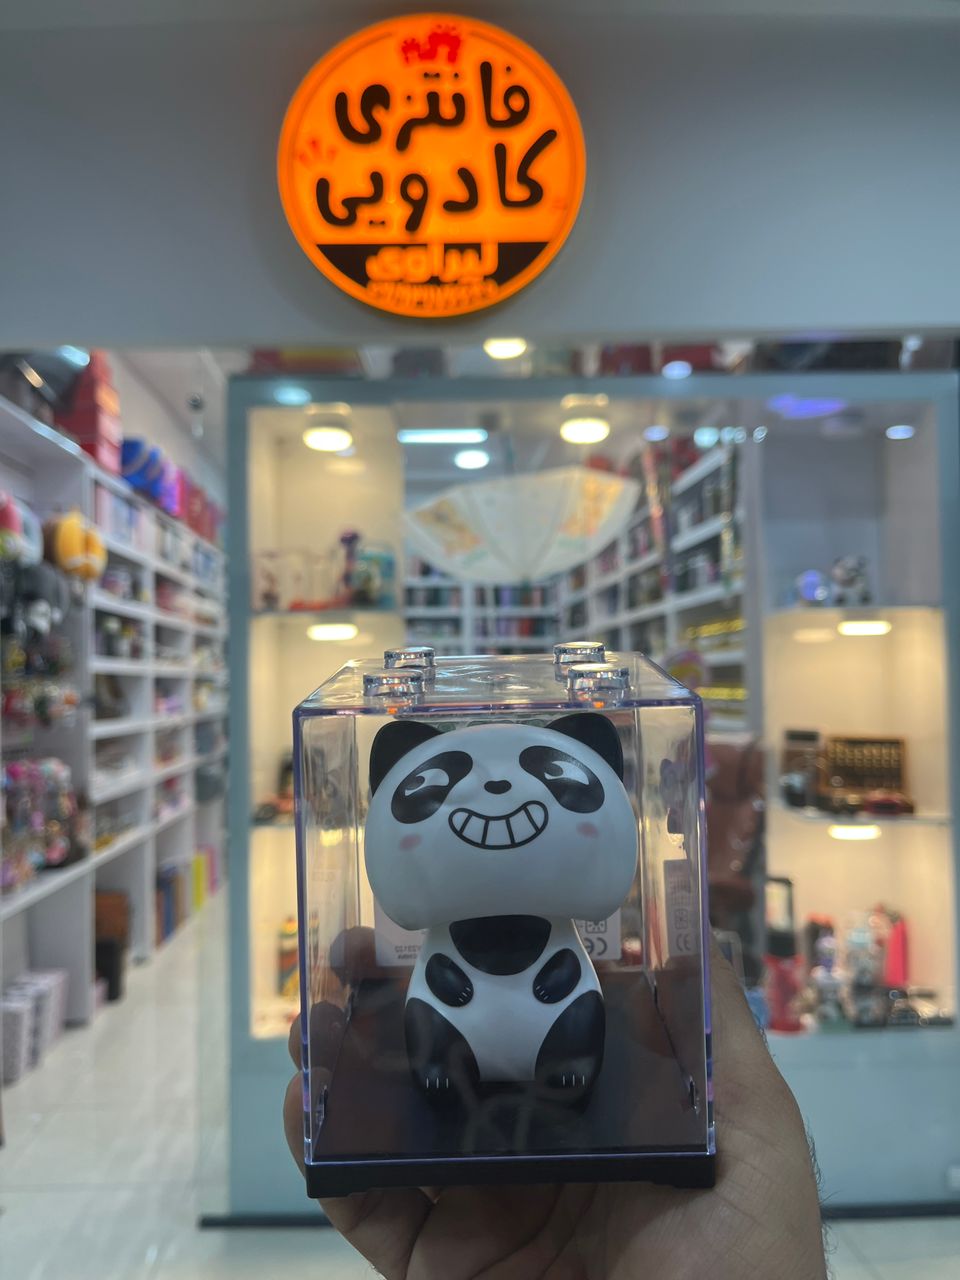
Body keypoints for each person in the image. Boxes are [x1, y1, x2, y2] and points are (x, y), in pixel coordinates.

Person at [284, 938, 827, 1279]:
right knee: (439, 1011)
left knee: (571, 1009)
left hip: (558, 1003)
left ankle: (553, 1063)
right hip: (451, 1005)